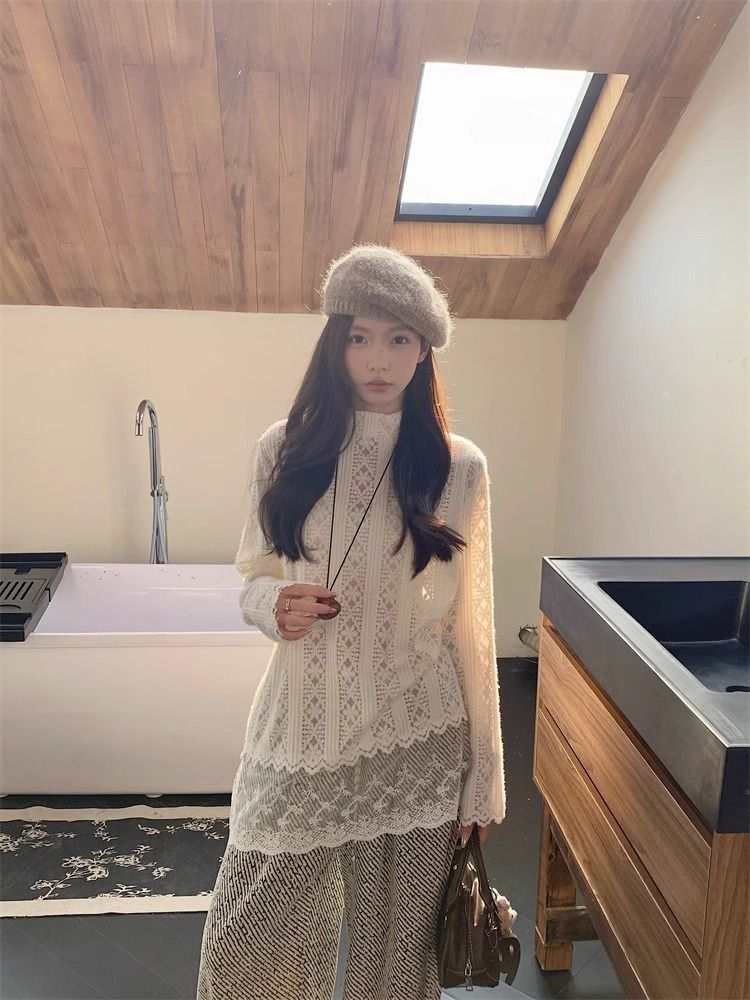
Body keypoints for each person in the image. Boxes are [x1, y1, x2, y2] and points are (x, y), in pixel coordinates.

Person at [197, 244, 506, 1000]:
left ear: (424, 350)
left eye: (399, 339)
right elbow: (252, 576)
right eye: (360, 336)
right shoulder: (283, 451)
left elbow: (473, 633)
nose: (378, 359)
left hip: (418, 737)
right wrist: (273, 606)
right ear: (334, 342)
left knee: (396, 962)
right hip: (301, 732)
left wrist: (484, 784)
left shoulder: (459, 468)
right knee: (250, 949)